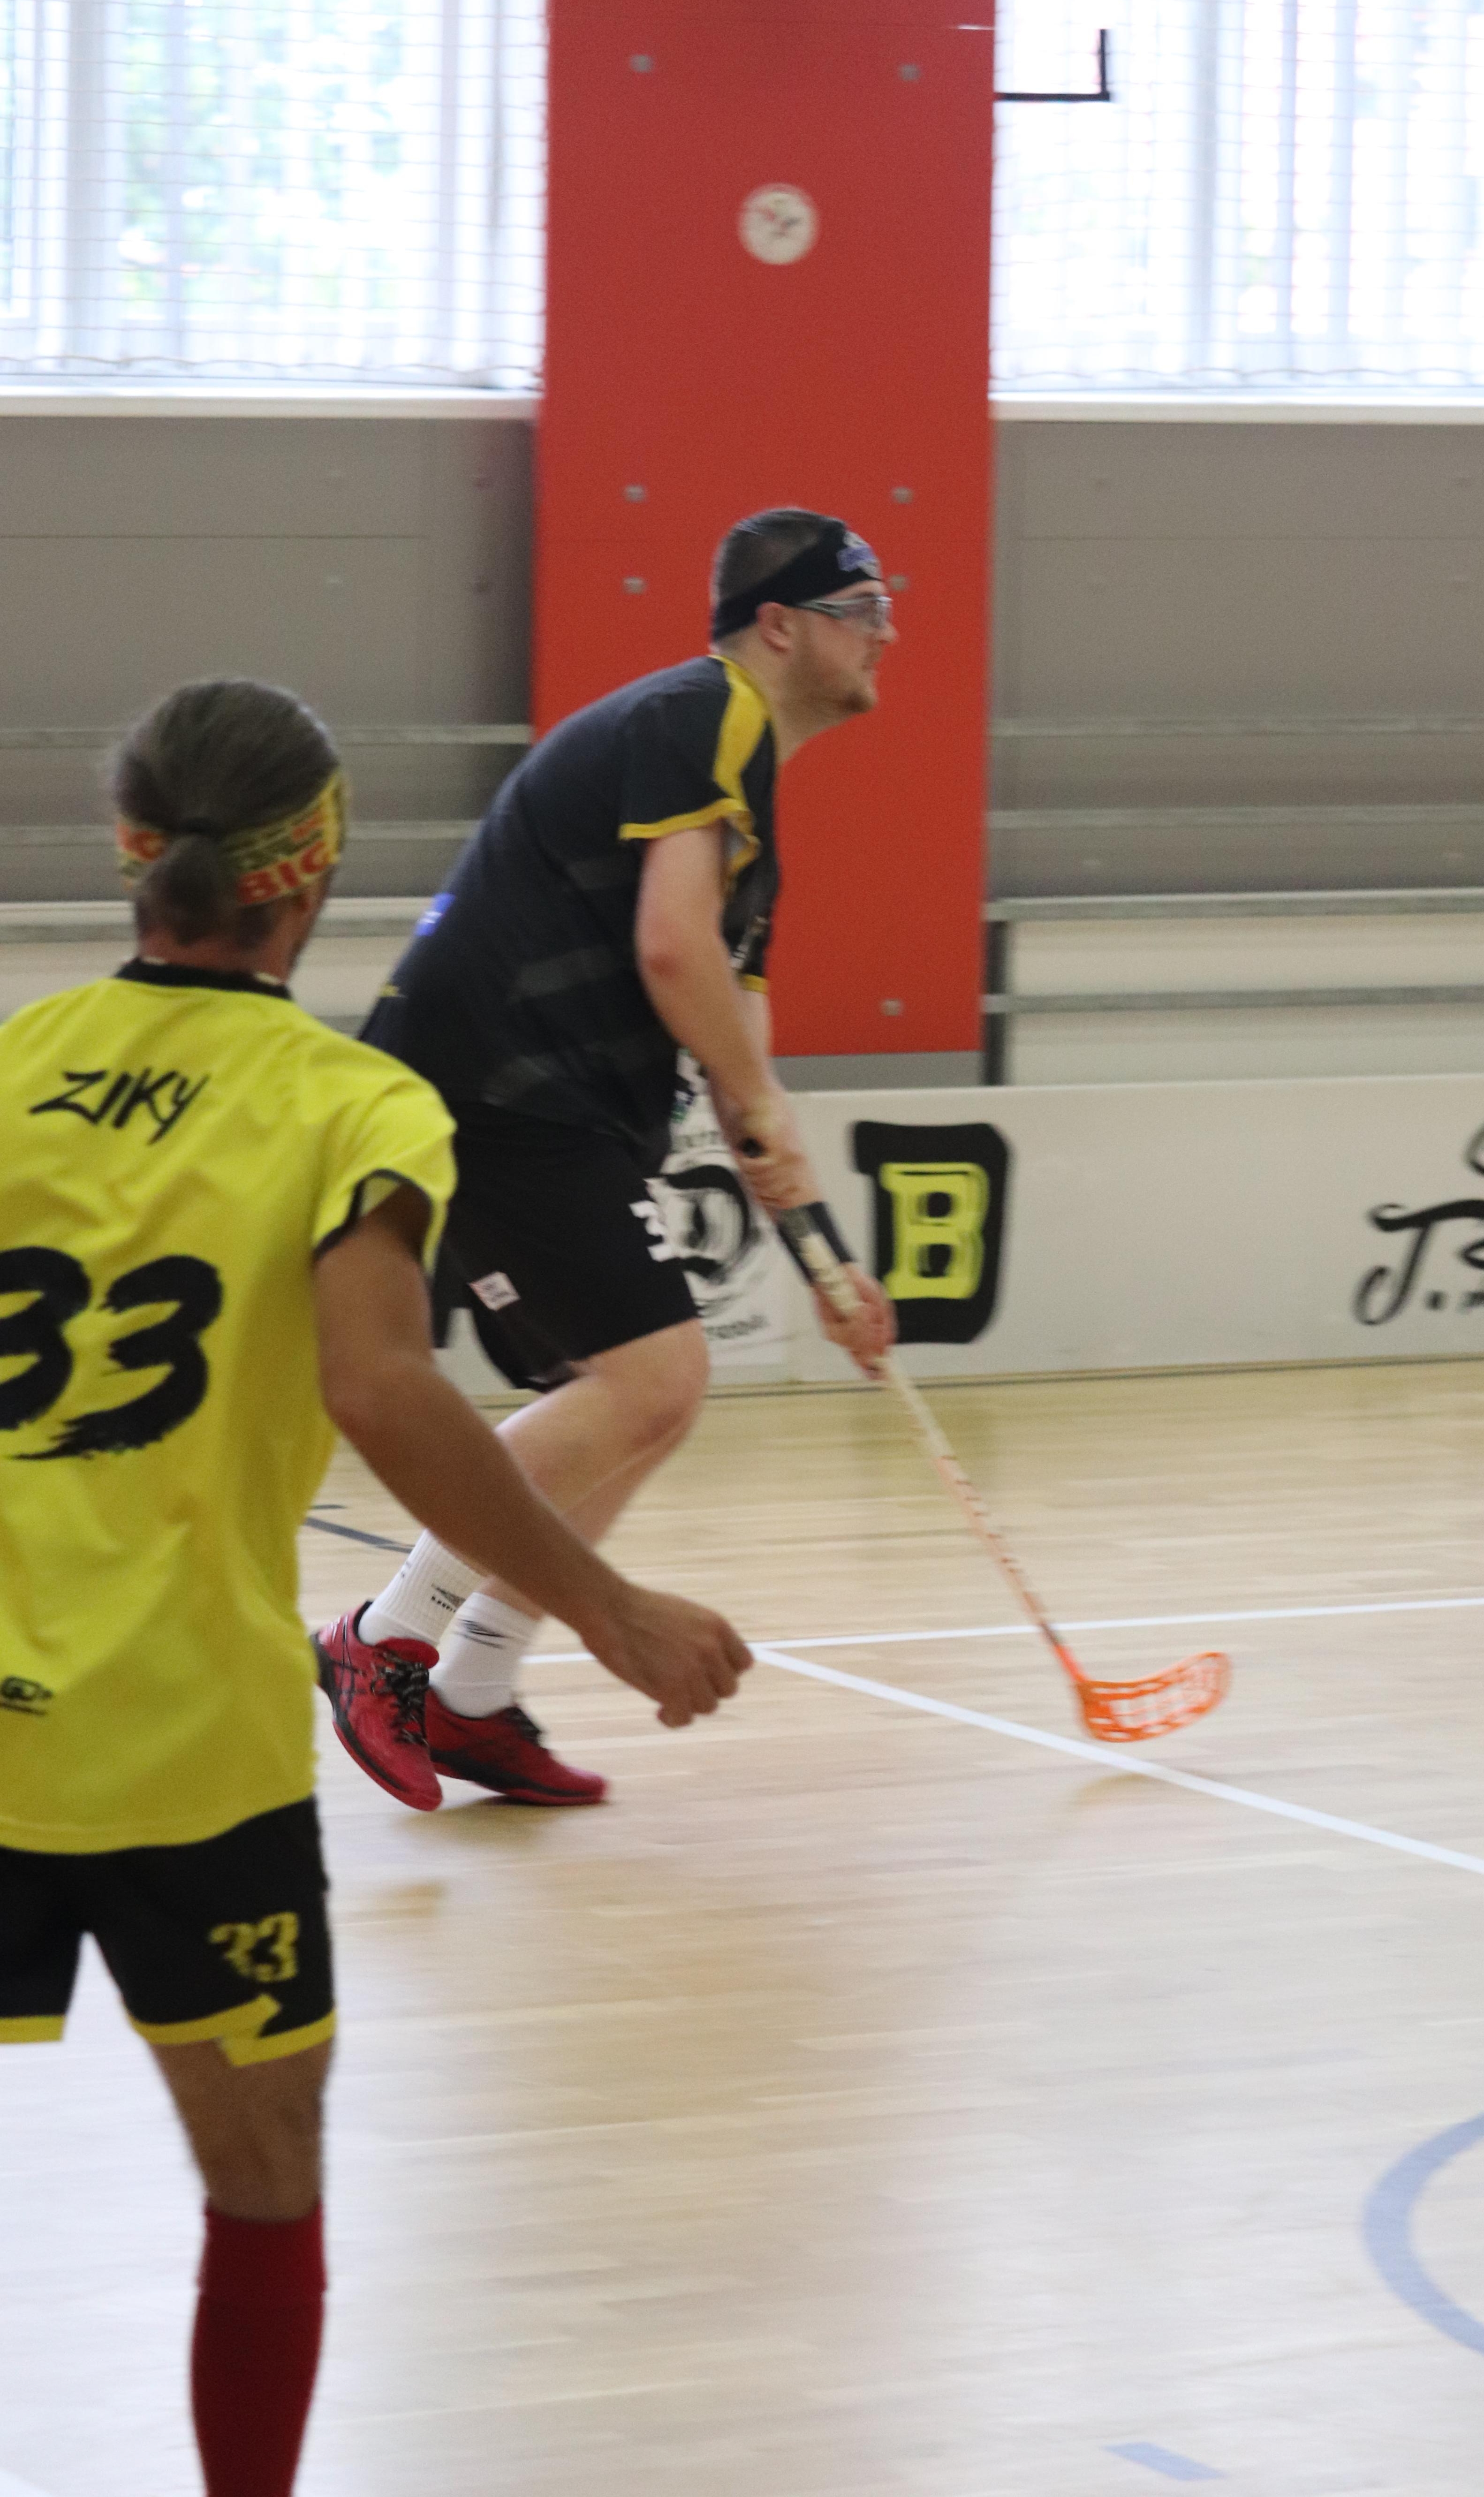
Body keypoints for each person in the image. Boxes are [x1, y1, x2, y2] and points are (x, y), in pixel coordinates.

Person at [0, 680, 750, 2497]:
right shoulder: (357, 1105)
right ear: (313, 866)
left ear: (132, 854)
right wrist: (610, 1610)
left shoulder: (15, 1062)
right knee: (262, 2191)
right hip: (187, 1740)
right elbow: (381, 1387)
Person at [315, 505, 896, 1813]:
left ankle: (470, 1692)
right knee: (653, 1376)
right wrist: (757, 1098)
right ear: (778, 626)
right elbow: (673, 952)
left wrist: (828, 1264)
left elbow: (737, 1057)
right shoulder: (704, 714)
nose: (885, 635)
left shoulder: (749, 805)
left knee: (655, 1394)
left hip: (548, 1105)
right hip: (488, 1087)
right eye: (860, 611)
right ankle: (387, 1643)